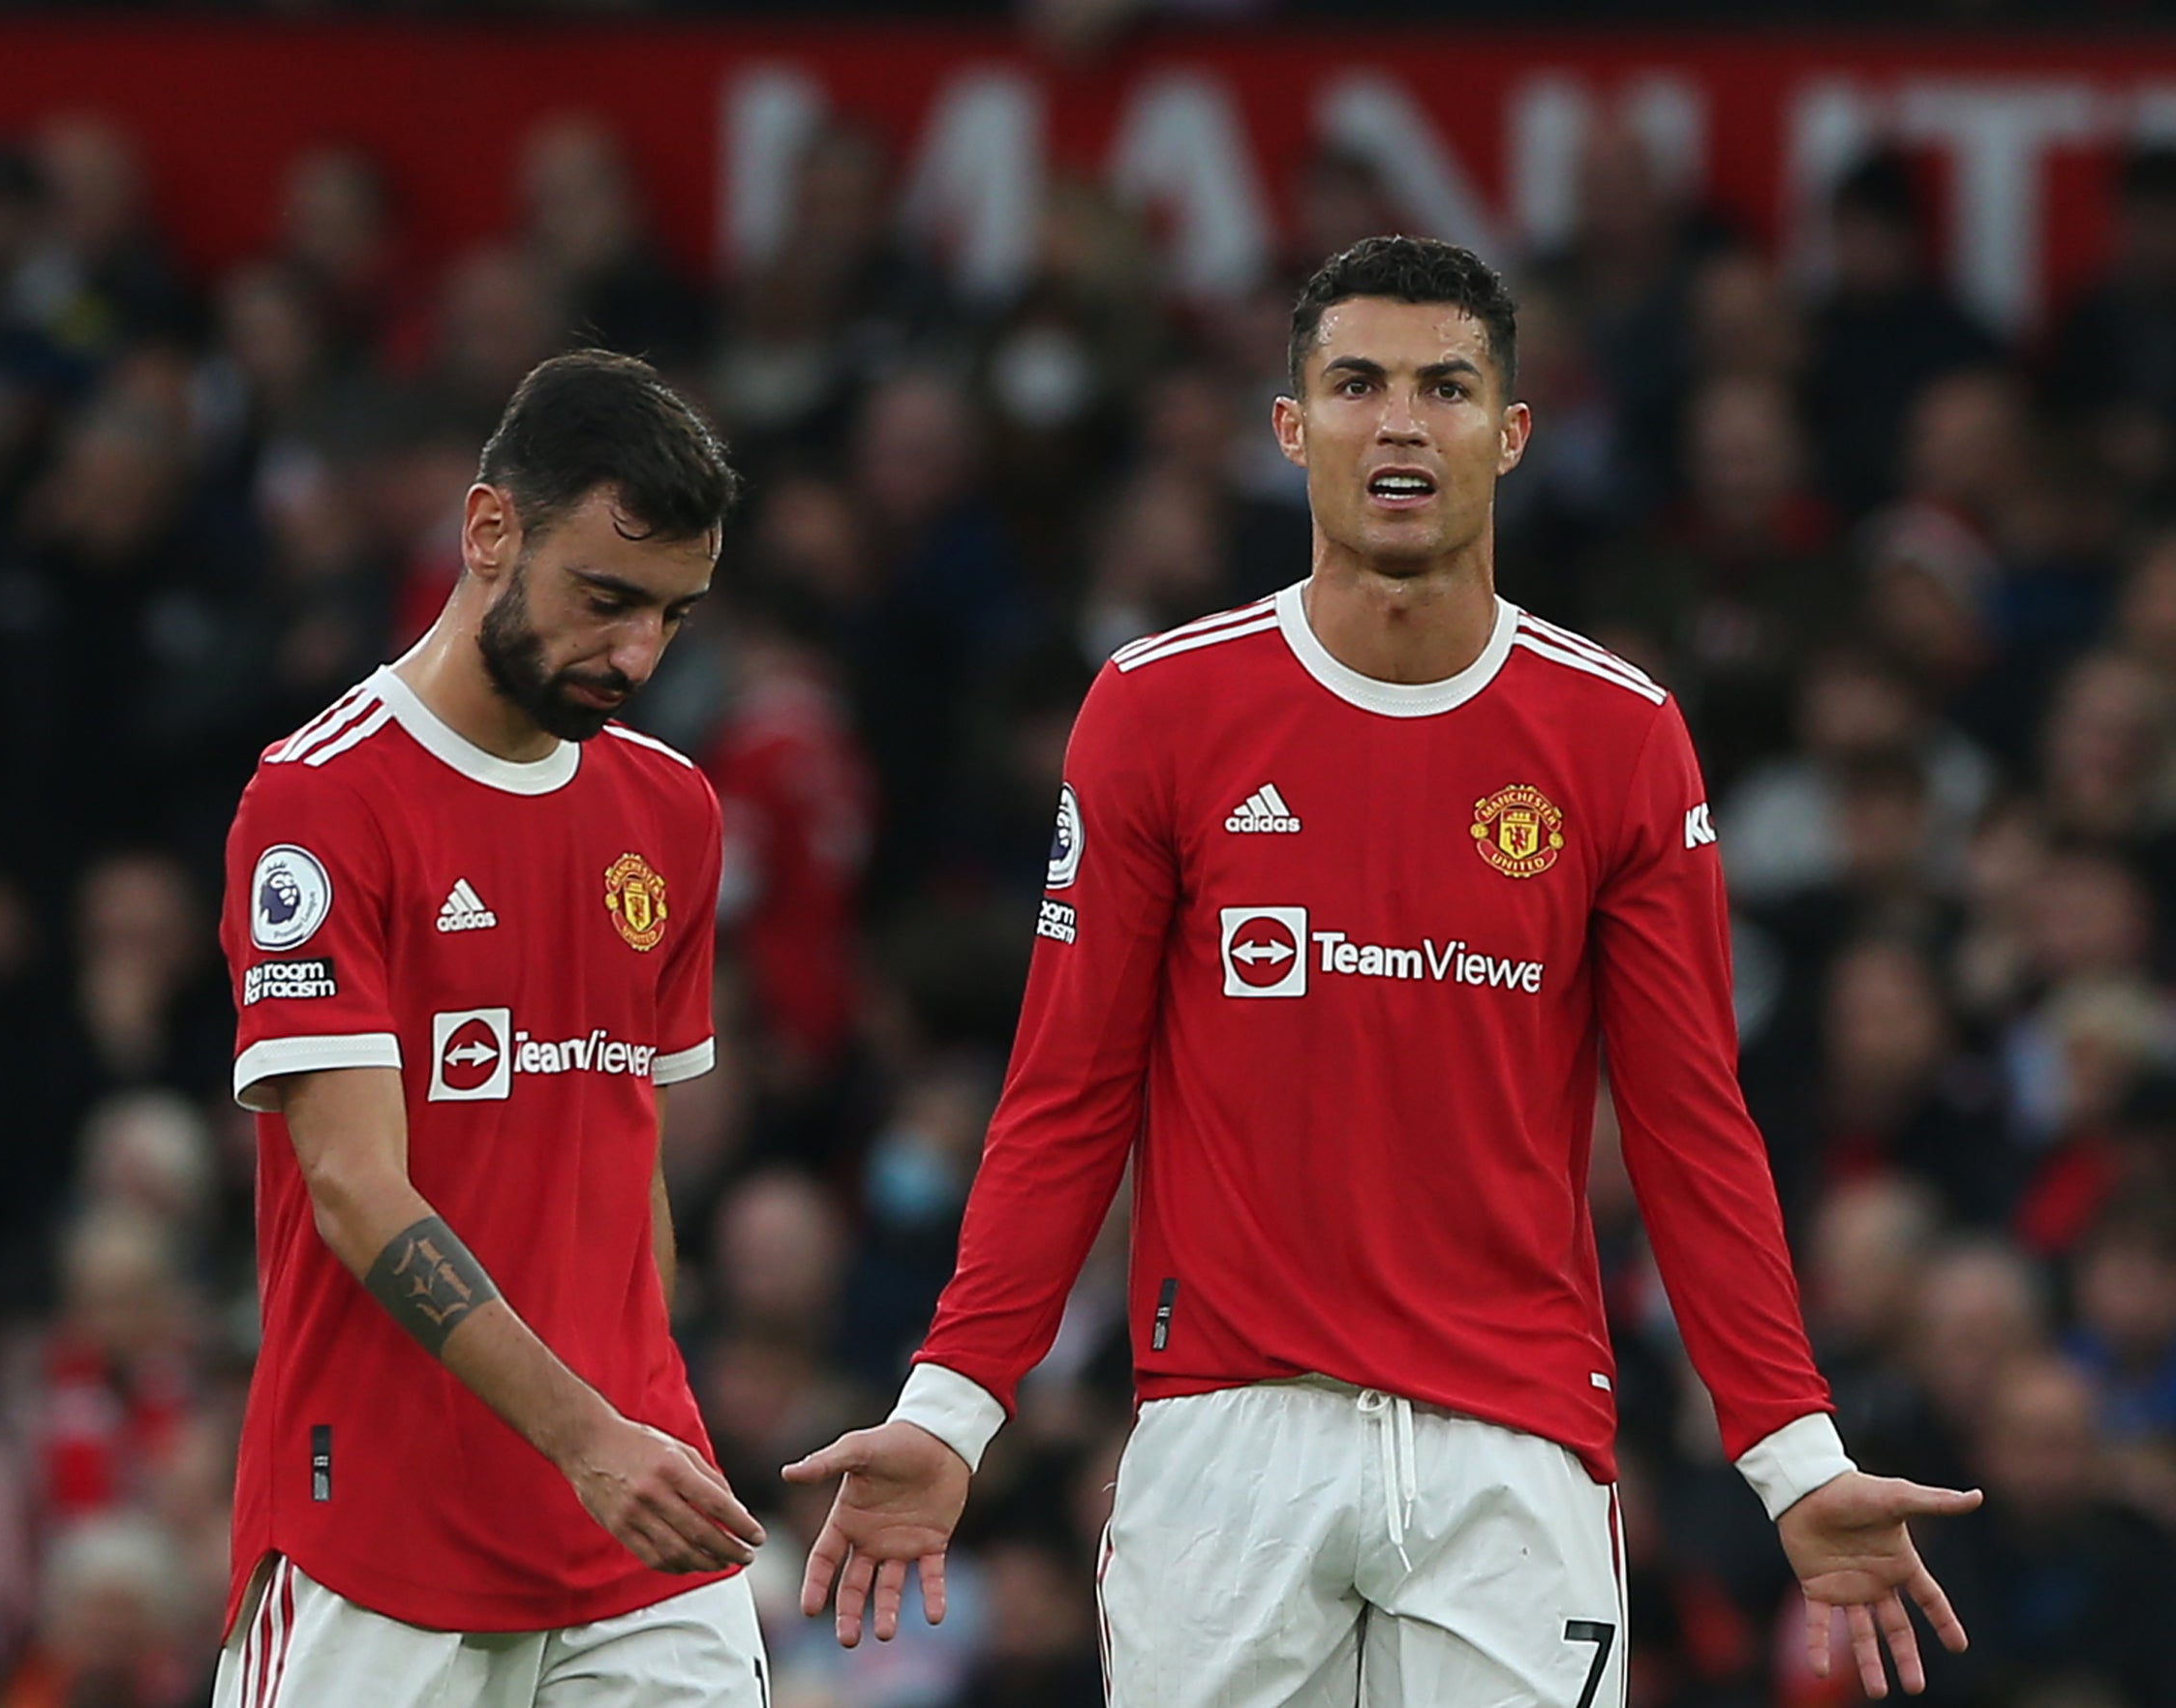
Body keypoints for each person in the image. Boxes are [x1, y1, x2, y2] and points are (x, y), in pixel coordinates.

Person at [785, 237, 1982, 1707]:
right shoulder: (1160, 710)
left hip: (1514, 1456)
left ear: (1513, 433)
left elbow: (1692, 1129)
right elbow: (1064, 1095)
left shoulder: (1619, 736)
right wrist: (952, 1410)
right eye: (1356, 384)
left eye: (1446, 387)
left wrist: (1795, 1455)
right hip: (1229, 1440)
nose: (1401, 422)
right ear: (1290, 426)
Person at [214, 351, 770, 1705]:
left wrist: (633, 1420)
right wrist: (586, 1437)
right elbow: (351, 1186)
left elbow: (620, 1153)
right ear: (488, 531)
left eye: (674, 618)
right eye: (606, 600)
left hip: (636, 1531)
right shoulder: (322, 804)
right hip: (381, 1548)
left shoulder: (671, 812)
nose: (635, 654)